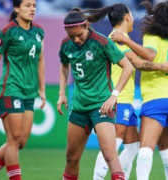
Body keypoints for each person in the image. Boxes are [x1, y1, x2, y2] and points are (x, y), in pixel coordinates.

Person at [84, 3, 168, 180]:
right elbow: (139, 63)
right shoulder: (119, 41)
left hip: (122, 101)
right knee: (112, 146)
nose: (134, 18)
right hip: (117, 101)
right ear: (127, 17)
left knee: (133, 146)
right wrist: (163, 66)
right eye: (132, 15)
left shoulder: (111, 39)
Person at [110, 1, 168, 179]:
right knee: (165, 145)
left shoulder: (152, 36)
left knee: (146, 147)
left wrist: (125, 39)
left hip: (157, 99)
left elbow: (149, 56)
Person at [56, 7, 134, 180]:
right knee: (71, 157)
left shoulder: (101, 42)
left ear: (87, 26)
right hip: (79, 107)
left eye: (79, 35)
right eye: (71, 36)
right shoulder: (65, 45)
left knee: (109, 154)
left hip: (101, 106)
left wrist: (114, 95)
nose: (76, 40)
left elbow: (128, 66)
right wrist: (62, 93)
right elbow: (64, 66)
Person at [0, 0, 46, 179]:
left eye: (34, 5)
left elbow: (40, 60)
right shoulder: (7, 31)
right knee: (13, 140)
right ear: (16, 8)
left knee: (21, 141)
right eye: (27, 5)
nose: (32, 9)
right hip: (10, 89)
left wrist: (42, 88)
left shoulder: (39, 31)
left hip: (30, 92)